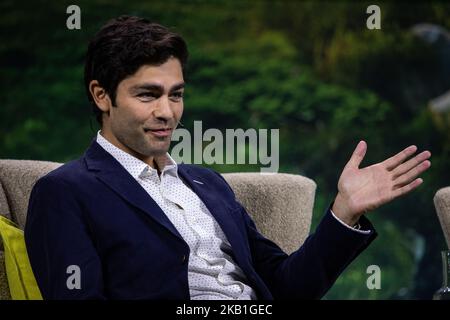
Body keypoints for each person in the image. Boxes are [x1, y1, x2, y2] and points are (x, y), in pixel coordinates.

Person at [24, 15, 432, 300]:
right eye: (147, 94)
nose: (167, 112)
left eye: (176, 94)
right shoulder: (65, 191)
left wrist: (344, 212)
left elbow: (288, 288)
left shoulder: (207, 183)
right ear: (102, 96)